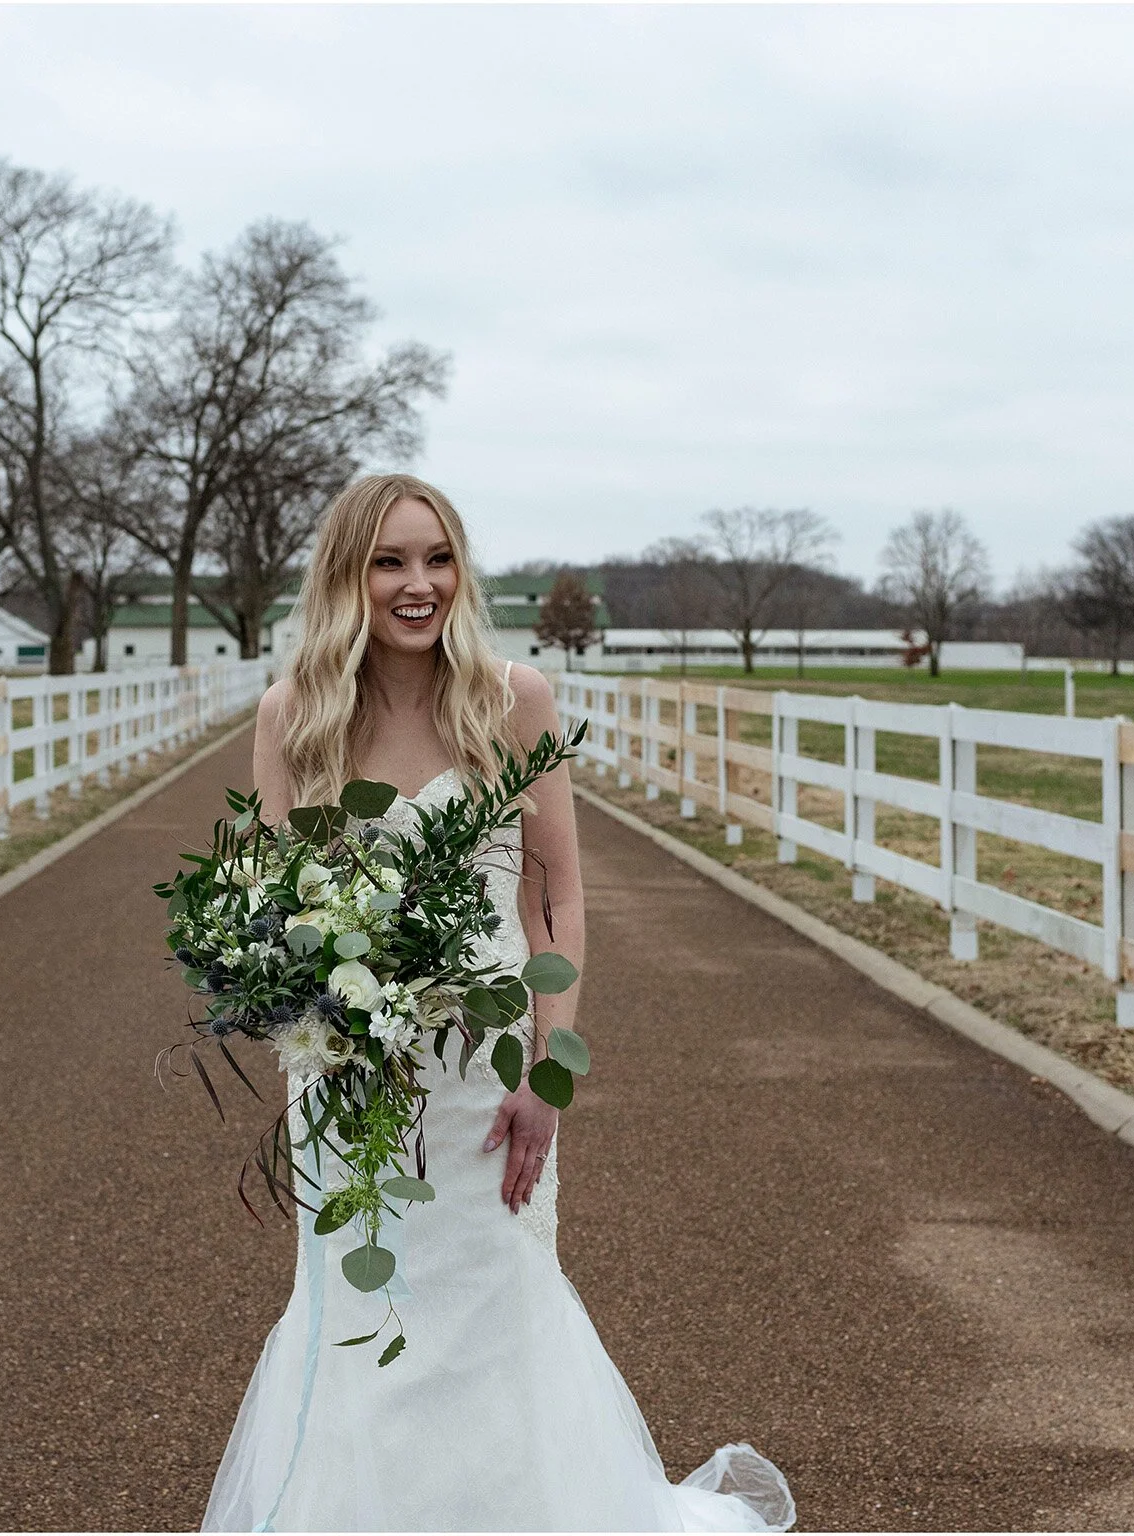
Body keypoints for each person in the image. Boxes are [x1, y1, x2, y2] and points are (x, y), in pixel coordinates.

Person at [202, 474, 794, 1532]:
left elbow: (555, 898)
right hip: (345, 1078)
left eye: (437, 559)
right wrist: (291, 992)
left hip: (488, 1079)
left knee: (491, 1317)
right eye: (389, 561)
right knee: (357, 1317)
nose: (417, 584)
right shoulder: (292, 716)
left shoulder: (512, 701)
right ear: (348, 576)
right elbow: (270, 902)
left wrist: (544, 1071)